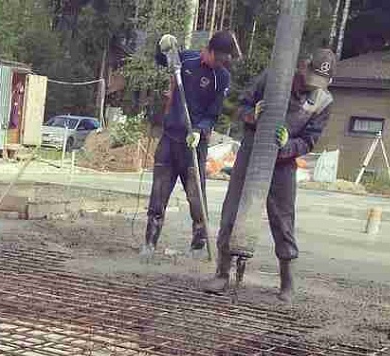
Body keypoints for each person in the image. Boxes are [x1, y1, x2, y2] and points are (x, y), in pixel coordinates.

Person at [204, 48, 336, 300]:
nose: (312, 86)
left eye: (319, 83)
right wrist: (251, 114)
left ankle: (287, 282)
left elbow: (309, 141)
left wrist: (288, 145)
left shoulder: (323, 102)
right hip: (252, 151)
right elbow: (240, 107)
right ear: (304, 66)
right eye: (311, 79)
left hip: (283, 162)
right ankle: (222, 273)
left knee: (283, 220)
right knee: (232, 212)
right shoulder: (273, 78)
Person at [143, 31, 237, 256]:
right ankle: (150, 243)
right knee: (158, 194)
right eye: (217, 58)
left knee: (196, 197)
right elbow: (161, 59)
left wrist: (199, 130)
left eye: (223, 61)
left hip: (194, 144)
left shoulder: (222, 77)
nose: (219, 63)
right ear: (209, 50)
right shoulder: (186, 59)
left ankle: (198, 243)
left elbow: (214, 113)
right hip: (170, 139)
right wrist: (162, 45)